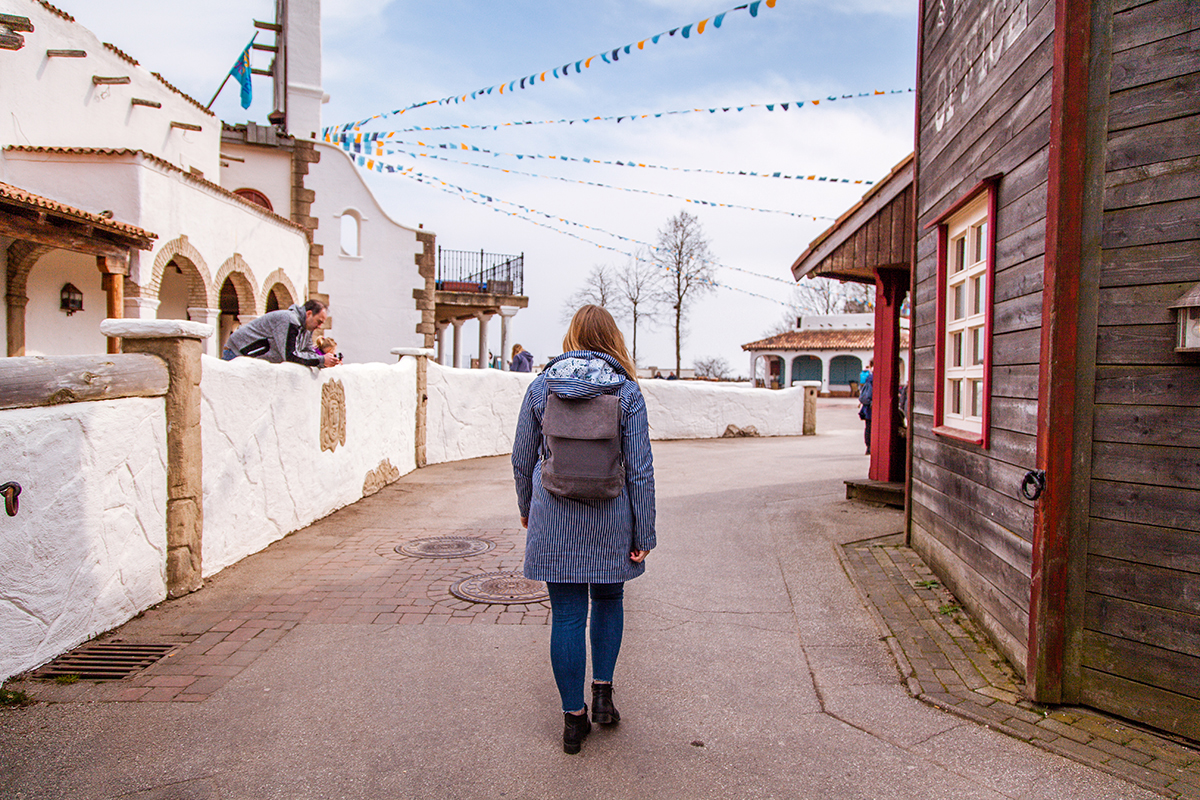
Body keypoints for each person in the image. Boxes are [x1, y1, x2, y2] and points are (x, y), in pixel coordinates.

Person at [512, 304, 656, 755]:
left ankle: (573, 720)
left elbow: (521, 457)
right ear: (613, 339)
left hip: (553, 516)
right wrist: (643, 533)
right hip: (612, 515)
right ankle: (603, 697)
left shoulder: (542, 387)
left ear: (572, 335)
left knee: (568, 615)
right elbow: (640, 471)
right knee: (609, 600)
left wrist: (526, 509)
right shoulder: (627, 392)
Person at [221, 300, 339, 368]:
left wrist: (325, 362)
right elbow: (290, 355)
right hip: (237, 354)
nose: (319, 326)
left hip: (253, 363)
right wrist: (321, 360)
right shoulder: (289, 320)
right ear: (308, 314)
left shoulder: (307, 329)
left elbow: (307, 352)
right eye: (319, 321)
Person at [858, 363, 874, 455]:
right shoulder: (874, 378)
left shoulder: (869, 378)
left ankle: (868, 447)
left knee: (868, 427)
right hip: (872, 407)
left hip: (867, 408)